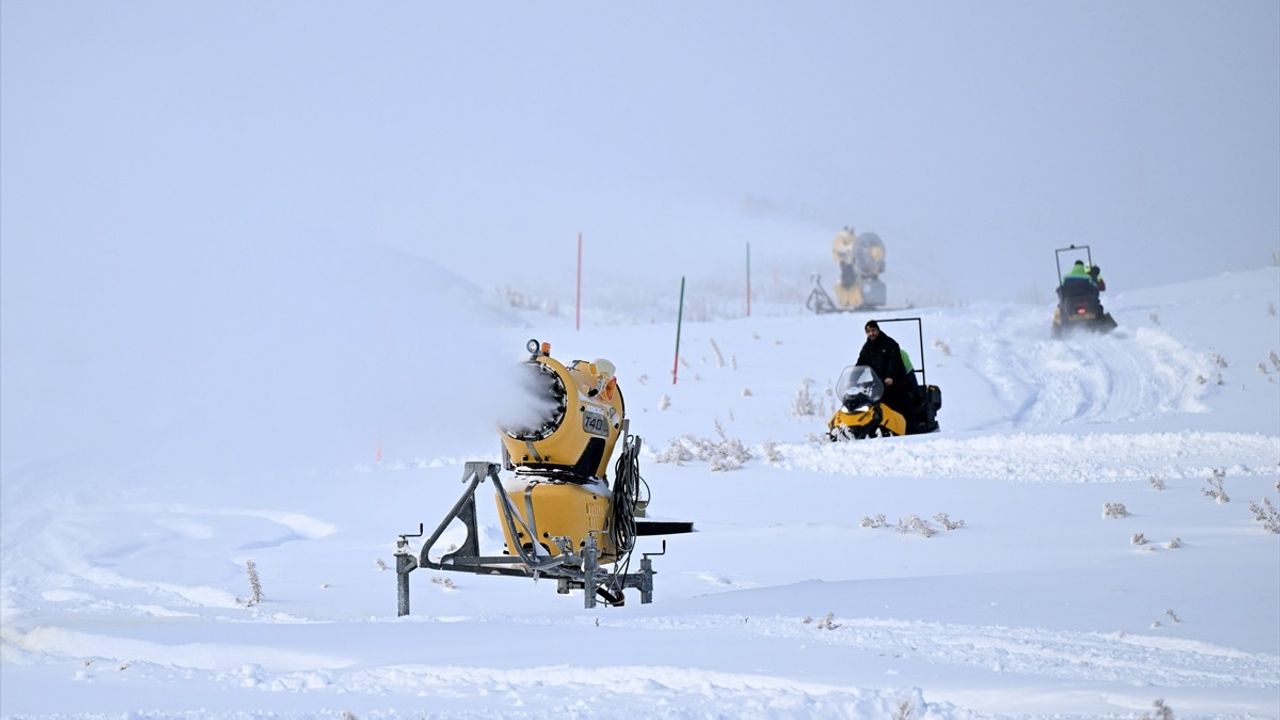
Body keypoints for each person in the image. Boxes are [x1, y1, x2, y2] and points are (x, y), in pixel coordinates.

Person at [856, 320, 909, 410]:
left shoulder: (890, 343)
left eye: (873, 330)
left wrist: (890, 376)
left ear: (878, 330)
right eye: (868, 332)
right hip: (879, 384)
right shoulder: (867, 348)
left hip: (895, 382)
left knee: (900, 406)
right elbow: (860, 363)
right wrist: (853, 379)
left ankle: (908, 422)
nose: (871, 333)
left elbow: (894, 361)